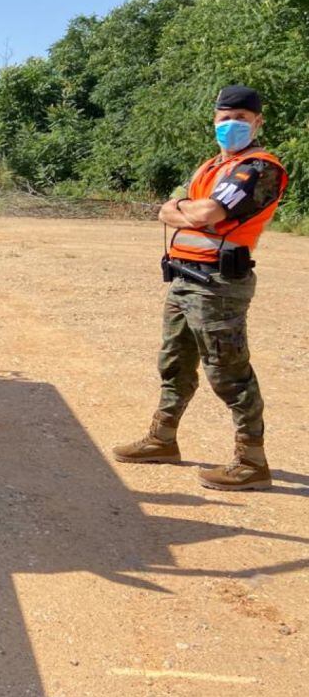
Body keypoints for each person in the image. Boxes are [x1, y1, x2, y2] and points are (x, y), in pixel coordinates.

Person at [114, 85, 288, 491]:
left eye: (241, 119)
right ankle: (162, 438)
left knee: (229, 372)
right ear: (214, 121)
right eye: (225, 118)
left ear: (258, 122)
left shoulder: (259, 169)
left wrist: (183, 212)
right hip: (183, 277)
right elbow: (178, 209)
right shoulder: (212, 167)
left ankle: (251, 461)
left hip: (219, 285)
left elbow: (206, 211)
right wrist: (185, 212)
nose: (232, 126)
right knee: (174, 364)